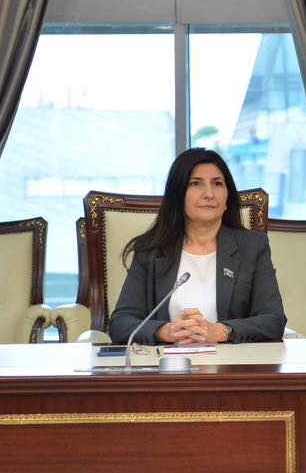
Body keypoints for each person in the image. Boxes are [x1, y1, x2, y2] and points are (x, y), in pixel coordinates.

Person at [109, 148, 286, 345]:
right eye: (195, 183)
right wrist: (166, 331)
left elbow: (273, 320)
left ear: (227, 198)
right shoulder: (150, 250)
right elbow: (120, 323)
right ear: (178, 195)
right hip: (168, 362)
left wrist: (221, 331)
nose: (209, 194)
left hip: (230, 362)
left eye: (217, 184)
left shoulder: (252, 247)